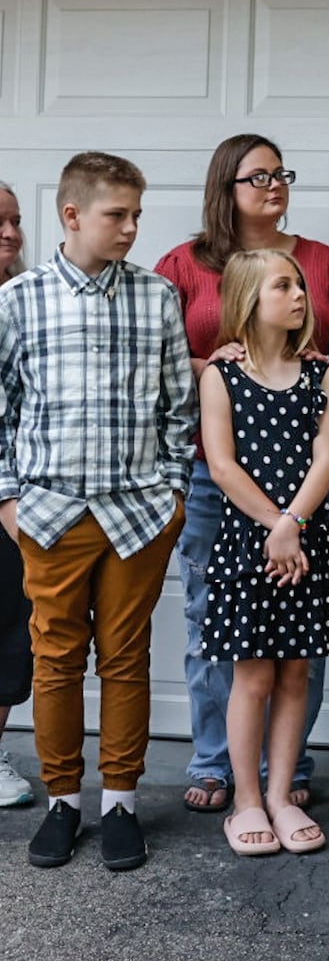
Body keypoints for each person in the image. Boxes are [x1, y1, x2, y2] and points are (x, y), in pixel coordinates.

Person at [0, 152, 196, 871]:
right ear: (73, 214)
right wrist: (8, 498)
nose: (131, 227)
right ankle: (62, 801)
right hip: (50, 514)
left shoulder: (155, 297)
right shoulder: (17, 301)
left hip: (139, 515)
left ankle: (120, 801)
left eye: (137, 214)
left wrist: (172, 494)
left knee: (125, 658)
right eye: (118, 214)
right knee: (55, 659)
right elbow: (1, 411)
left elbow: (180, 407)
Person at [156, 133, 329, 815]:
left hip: (307, 479)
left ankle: (288, 767)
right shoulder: (184, 266)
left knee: (300, 617)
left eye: (283, 173)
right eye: (259, 176)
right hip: (219, 476)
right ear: (226, 187)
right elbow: (151, 360)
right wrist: (218, 366)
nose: (275, 185)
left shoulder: (323, 264)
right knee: (213, 618)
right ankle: (218, 763)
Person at [200, 248, 329, 857]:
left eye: (300, 286)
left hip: (304, 540)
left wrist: (294, 524)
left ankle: (283, 794)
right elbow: (222, 464)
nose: (299, 296)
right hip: (247, 543)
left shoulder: (321, 375)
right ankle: (247, 801)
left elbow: (326, 460)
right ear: (247, 301)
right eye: (282, 286)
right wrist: (272, 526)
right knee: (253, 675)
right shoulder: (221, 376)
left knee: (295, 672)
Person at [0, 181, 34, 809]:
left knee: (10, 631)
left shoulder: (26, 303)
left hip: (13, 496)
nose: (9, 232)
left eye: (14, 220)